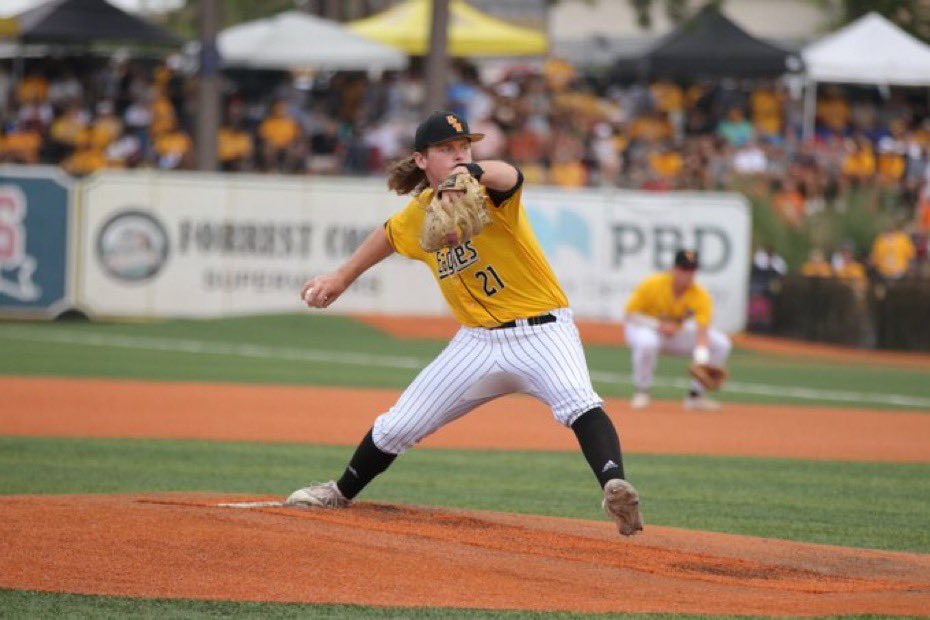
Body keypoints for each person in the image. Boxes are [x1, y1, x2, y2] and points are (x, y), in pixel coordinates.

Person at [285, 111, 643, 537]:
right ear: (421, 160)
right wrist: (341, 278)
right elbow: (388, 234)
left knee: (578, 400)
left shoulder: (488, 192)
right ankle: (339, 492)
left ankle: (614, 486)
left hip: (544, 331)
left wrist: (470, 171)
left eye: (464, 148)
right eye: (446, 150)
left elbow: (510, 173)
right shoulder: (419, 213)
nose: (459, 155)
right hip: (477, 344)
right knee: (399, 424)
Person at [623, 250, 732, 412]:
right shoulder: (653, 284)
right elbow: (630, 315)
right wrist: (658, 326)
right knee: (647, 342)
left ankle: (695, 397)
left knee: (721, 343)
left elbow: (702, 332)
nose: (688, 274)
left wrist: (701, 362)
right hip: (646, 329)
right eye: (684, 269)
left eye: (692, 270)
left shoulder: (700, 296)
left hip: (675, 335)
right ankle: (642, 392)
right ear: (674, 269)